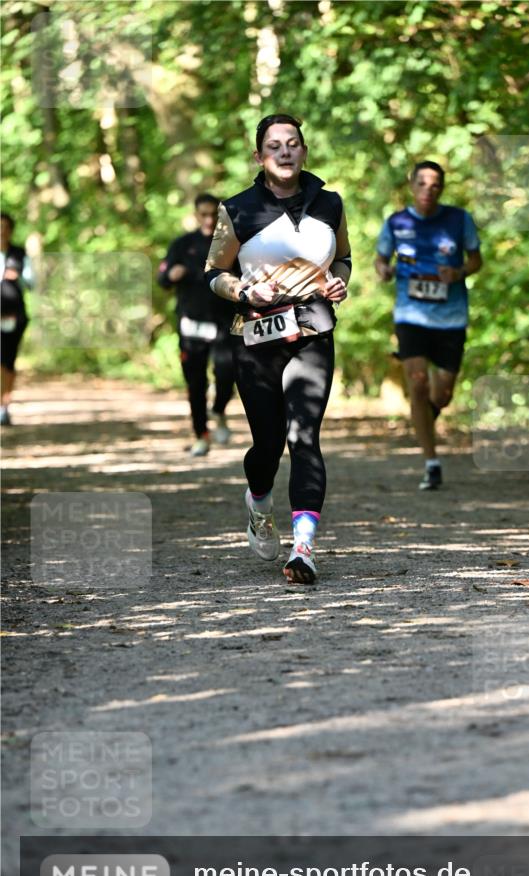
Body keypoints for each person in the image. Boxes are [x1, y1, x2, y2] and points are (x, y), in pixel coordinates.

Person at [205, 113, 350, 584]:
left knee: (304, 436)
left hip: (312, 328)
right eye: (274, 145)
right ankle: (258, 500)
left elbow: (343, 259)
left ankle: (304, 549)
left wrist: (339, 283)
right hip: (257, 337)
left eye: (293, 143)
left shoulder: (330, 203)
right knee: (268, 444)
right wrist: (244, 293)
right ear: (259, 156)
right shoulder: (237, 209)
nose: (285, 151)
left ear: (304, 151)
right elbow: (214, 273)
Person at [376, 161, 482, 489]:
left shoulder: (458, 219)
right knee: (418, 383)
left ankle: (422, 421)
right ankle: (431, 462)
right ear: (412, 186)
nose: (428, 190)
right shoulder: (396, 222)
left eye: (435, 185)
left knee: (443, 394)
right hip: (411, 316)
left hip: (451, 318)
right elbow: (381, 258)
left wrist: (459, 272)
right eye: (422, 184)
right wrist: (383, 270)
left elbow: (476, 260)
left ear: (442, 188)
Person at [157, 193, 236, 456]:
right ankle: (201, 434)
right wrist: (171, 274)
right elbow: (163, 278)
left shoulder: (231, 243)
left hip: (225, 322)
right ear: (195, 215)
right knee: (195, 383)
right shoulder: (182, 245)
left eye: (214, 214)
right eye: (203, 214)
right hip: (191, 324)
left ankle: (220, 409)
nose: (209, 219)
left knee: (227, 372)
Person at [1, 211, 34, 427]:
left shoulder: (19, 254)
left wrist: (19, 275)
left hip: (12, 315)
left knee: (6, 359)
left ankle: (4, 405)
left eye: (5, 227)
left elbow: (32, 282)